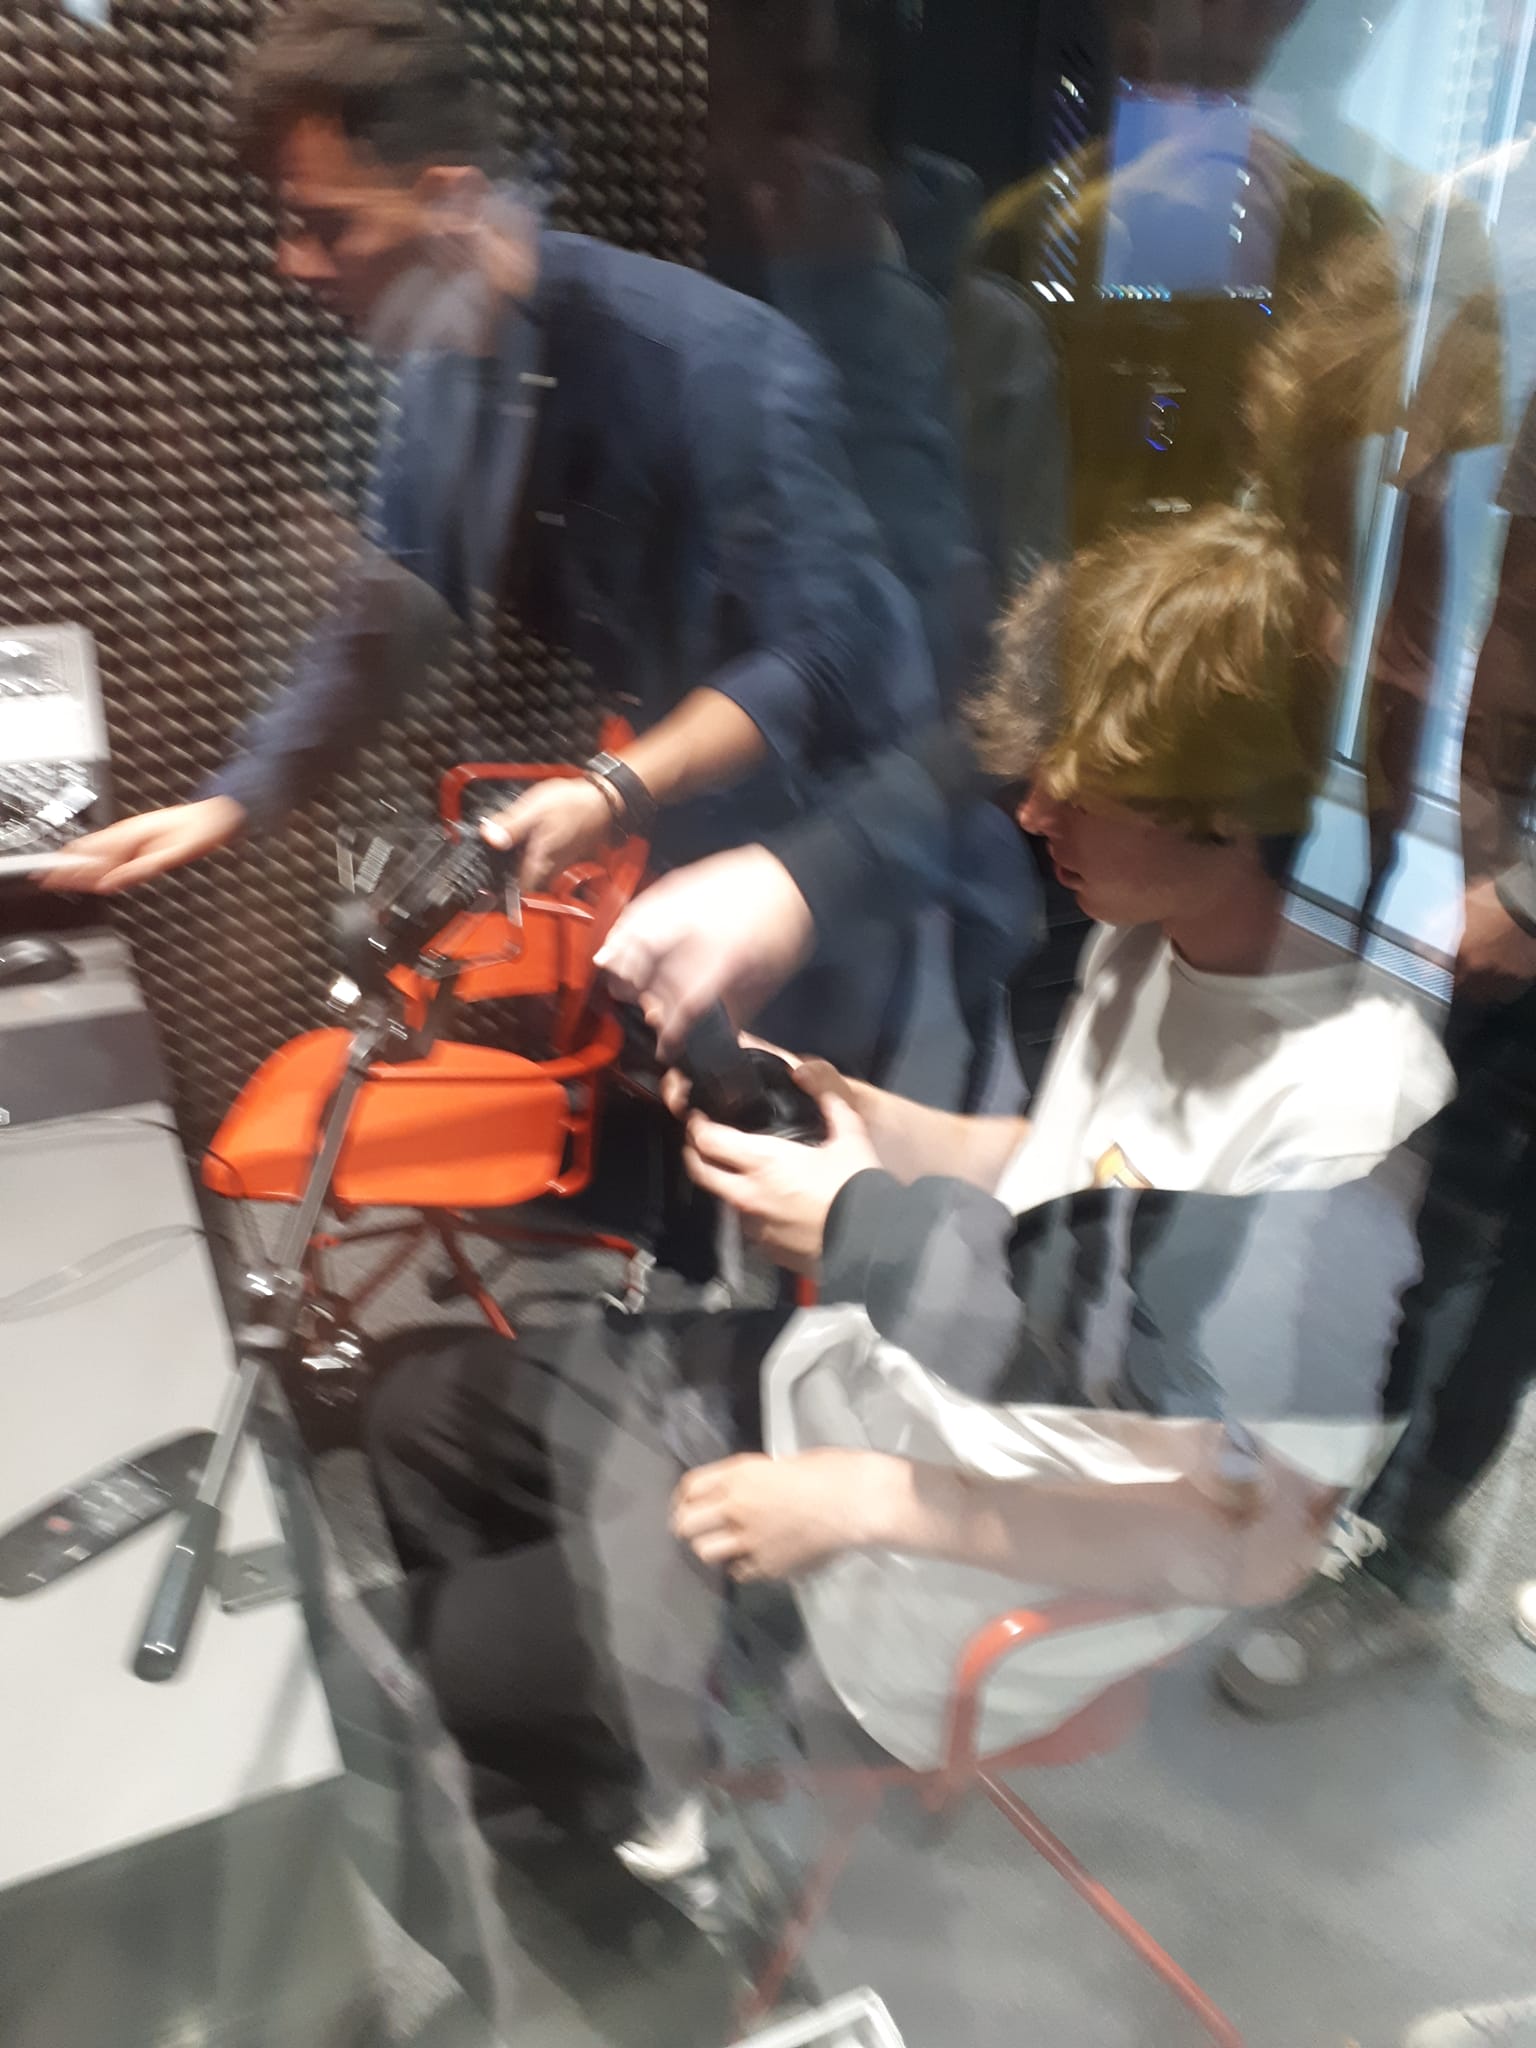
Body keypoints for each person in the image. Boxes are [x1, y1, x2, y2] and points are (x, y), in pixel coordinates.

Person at [368, 505, 1451, 1842]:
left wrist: (871, 1495)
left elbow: (1259, 1538)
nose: (1034, 811)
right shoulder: (1152, 934)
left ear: (1228, 812)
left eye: (1082, 790)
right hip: (859, 1394)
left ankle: (630, 1810)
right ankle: (609, 1768)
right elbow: (1067, 1172)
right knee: (415, 1409)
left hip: (930, 1563)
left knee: (433, 1672)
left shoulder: (1357, 1108)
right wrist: (867, 1117)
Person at [44, 0, 937, 1074]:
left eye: (325, 225)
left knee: (821, 1125)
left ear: (450, 200)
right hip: (680, 808)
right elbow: (393, 613)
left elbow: (819, 660)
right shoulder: (443, 374)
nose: (293, 264)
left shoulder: (721, 366)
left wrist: (614, 788)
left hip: (847, 844)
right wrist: (237, 799)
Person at [1215, 384, 1536, 1720]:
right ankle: (1349, 1500)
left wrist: (1528, 898)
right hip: (1477, 884)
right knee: (1426, 1228)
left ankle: (1405, 1557)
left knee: (1496, 1267)